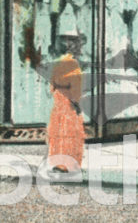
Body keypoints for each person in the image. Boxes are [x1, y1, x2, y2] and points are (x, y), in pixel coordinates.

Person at [48, 30, 86, 173]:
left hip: (58, 104)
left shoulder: (58, 64)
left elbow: (52, 86)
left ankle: (58, 163)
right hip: (69, 105)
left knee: (57, 134)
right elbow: (75, 88)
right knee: (71, 134)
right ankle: (70, 164)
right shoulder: (73, 64)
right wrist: (77, 104)